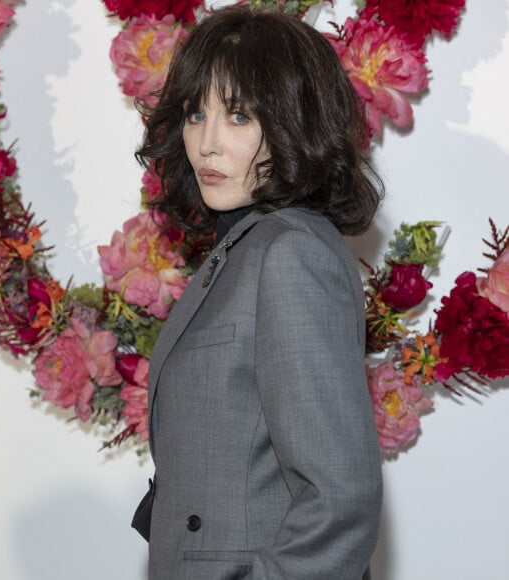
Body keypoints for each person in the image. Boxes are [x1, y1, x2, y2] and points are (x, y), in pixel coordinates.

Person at [133, 6, 384, 580]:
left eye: (239, 116)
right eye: (197, 114)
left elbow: (338, 500)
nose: (207, 144)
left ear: (298, 121)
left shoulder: (291, 254)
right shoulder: (242, 247)